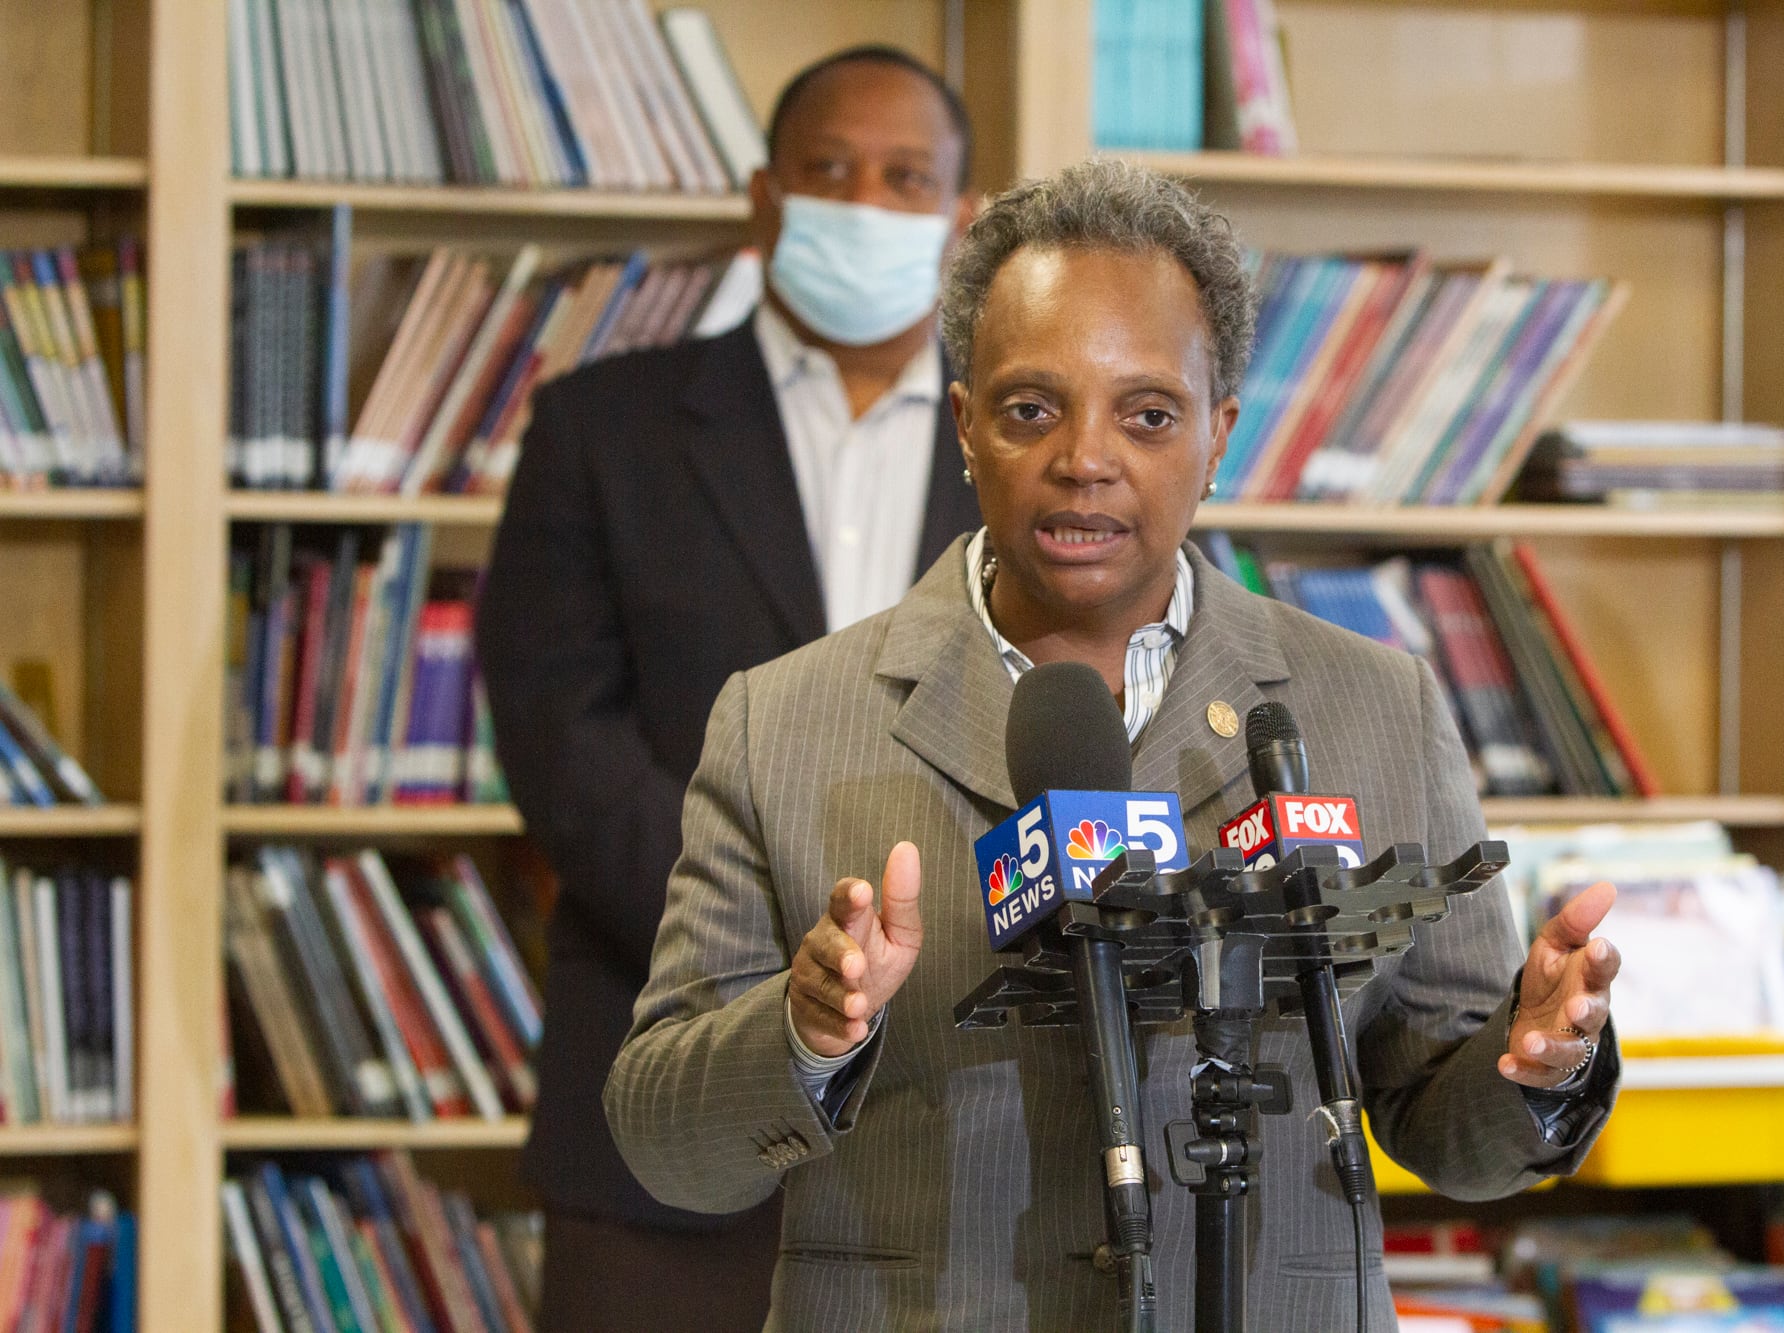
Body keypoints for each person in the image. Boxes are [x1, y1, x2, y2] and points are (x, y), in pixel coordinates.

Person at [605, 159, 1622, 1329]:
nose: (1085, 456)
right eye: (1030, 408)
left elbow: (1445, 1125)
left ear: (1217, 435)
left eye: (1146, 414)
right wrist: (802, 1030)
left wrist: (1537, 1060)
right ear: (966, 429)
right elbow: (663, 1142)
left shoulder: (1374, 704)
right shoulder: (779, 720)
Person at [474, 46, 984, 1333]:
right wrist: (772, 954)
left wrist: (921, 966)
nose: (865, 203)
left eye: (905, 176)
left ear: (963, 220)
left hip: (972, 1117)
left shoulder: (1029, 452)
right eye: (828, 171)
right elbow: (559, 739)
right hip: (663, 1097)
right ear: (764, 200)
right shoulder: (601, 429)